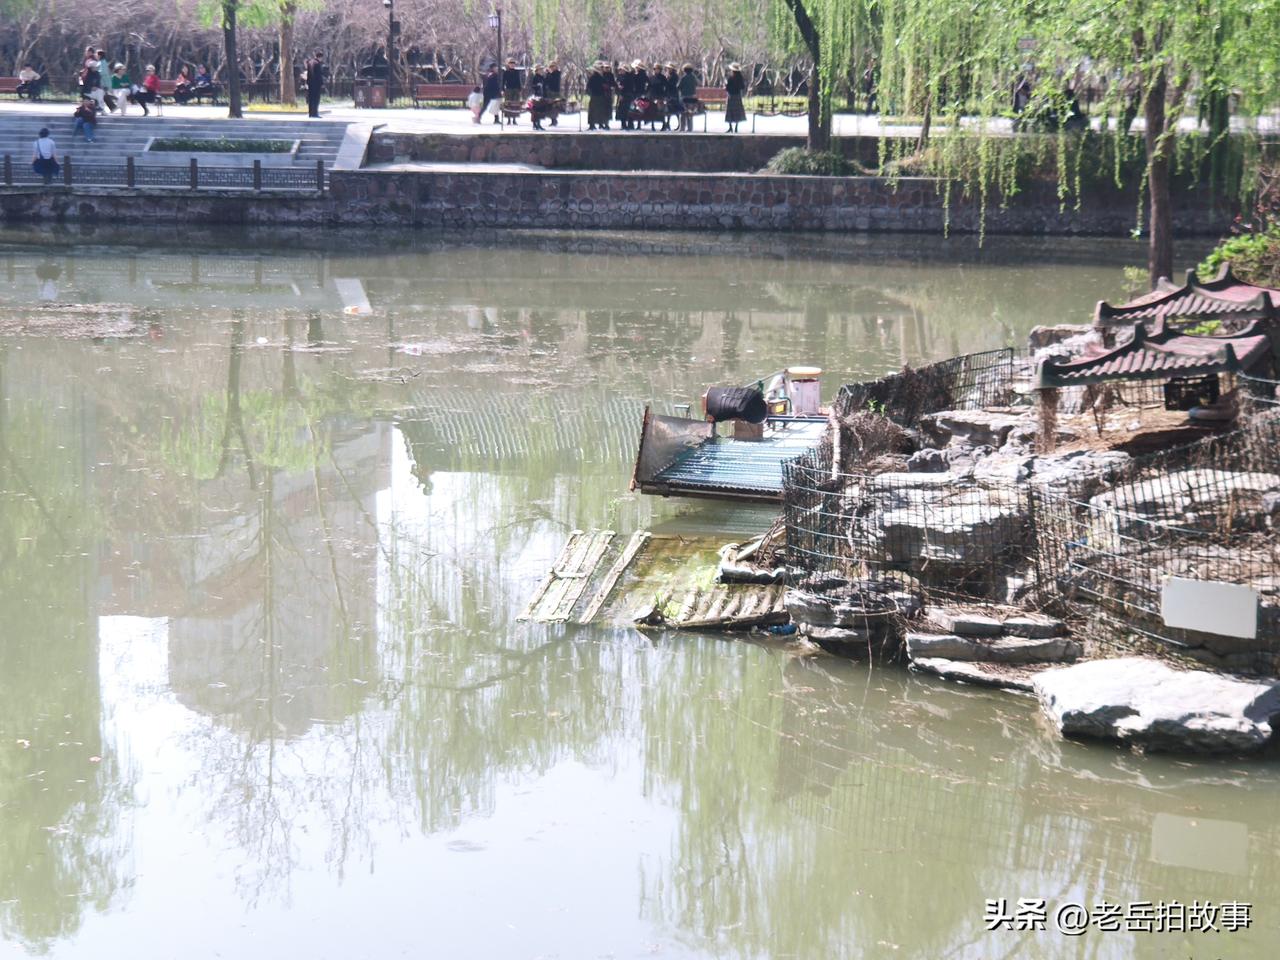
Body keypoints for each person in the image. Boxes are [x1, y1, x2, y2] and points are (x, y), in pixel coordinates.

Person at [586, 62, 610, 130]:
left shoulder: (601, 77)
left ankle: (596, 124)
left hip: (599, 95)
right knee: (595, 110)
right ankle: (595, 124)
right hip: (596, 95)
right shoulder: (594, 77)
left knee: (597, 110)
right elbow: (589, 86)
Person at [725, 62, 747, 132]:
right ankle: (736, 127)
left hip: (731, 96)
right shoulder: (740, 78)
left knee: (730, 111)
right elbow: (742, 87)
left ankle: (730, 127)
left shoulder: (731, 78)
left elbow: (727, 88)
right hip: (737, 96)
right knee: (737, 111)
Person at [501, 58, 522, 125]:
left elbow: (519, 81)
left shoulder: (517, 72)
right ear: (508, 64)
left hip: (516, 89)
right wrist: (502, 90)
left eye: (513, 63)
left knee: (515, 104)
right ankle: (509, 119)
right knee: (508, 104)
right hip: (508, 89)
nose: (512, 65)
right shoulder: (506, 72)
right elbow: (503, 81)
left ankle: (514, 119)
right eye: (511, 63)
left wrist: (520, 89)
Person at [677, 64, 698, 132]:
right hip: (692, 97)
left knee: (683, 112)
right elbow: (697, 84)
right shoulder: (694, 78)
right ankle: (690, 128)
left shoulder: (683, 78)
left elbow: (678, 87)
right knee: (690, 113)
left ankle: (682, 127)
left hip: (684, 97)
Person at [304, 52, 325, 117]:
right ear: (320, 57)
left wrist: (307, 82)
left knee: (310, 99)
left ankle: (310, 113)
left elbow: (308, 74)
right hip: (316, 84)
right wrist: (322, 83)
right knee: (316, 99)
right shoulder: (317, 64)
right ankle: (315, 113)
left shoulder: (310, 62)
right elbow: (319, 75)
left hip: (310, 83)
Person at [544, 59, 562, 125]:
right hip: (550, 92)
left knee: (554, 107)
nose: (552, 68)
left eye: (553, 66)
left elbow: (553, 81)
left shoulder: (557, 73)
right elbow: (546, 81)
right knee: (550, 107)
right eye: (551, 66)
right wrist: (547, 74)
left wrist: (549, 74)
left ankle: (554, 120)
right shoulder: (550, 74)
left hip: (555, 92)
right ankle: (552, 120)